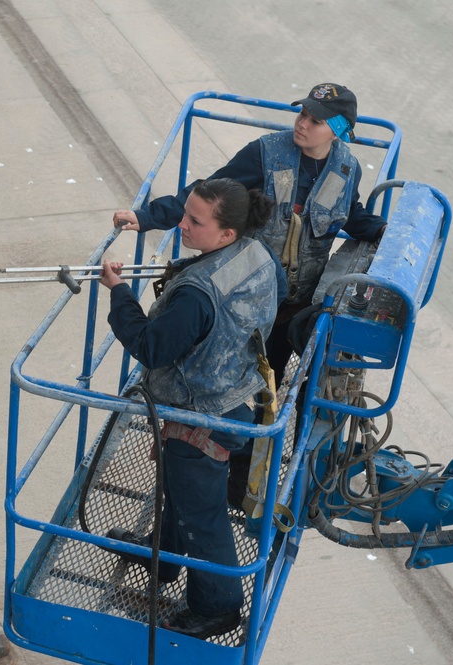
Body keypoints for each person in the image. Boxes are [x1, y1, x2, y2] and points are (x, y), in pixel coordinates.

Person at [100, 178, 286, 639]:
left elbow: (151, 345)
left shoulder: (197, 294)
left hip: (200, 417)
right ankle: (163, 555)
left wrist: (119, 292)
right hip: (238, 392)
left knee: (202, 514)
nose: (181, 225)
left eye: (194, 221)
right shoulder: (256, 252)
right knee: (183, 497)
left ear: (226, 234)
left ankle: (219, 606)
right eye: (185, 212)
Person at [112, 83, 386, 387]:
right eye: (302, 114)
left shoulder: (347, 168)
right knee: (232, 375)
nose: (302, 124)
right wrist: (148, 217)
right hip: (249, 295)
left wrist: (382, 230)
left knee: (273, 379)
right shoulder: (265, 153)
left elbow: (350, 211)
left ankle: (260, 429)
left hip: (296, 305)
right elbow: (210, 193)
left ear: (337, 130)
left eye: (315, 121)